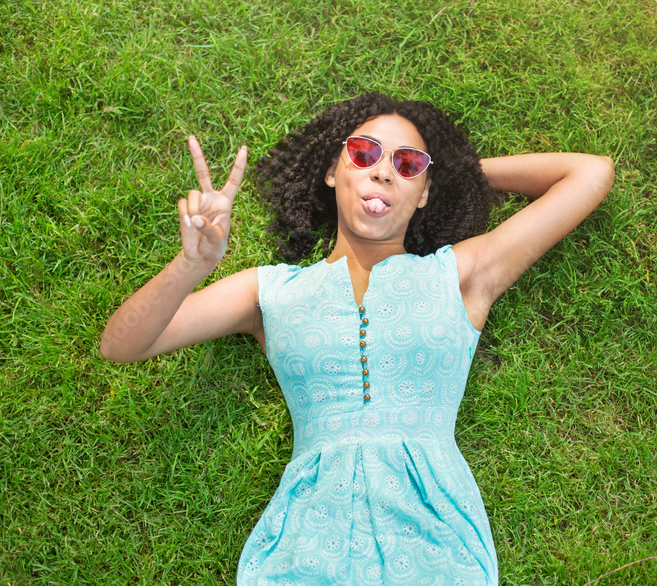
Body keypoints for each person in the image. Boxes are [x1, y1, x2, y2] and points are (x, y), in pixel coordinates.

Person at [100, 93, 614, 584]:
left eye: (408, 164)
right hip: (306, 547)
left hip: (436, 548)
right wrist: (192, 265)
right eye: (365, 153)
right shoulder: (269, 291)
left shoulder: (460, 275)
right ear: (332, 170)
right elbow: (122, 345)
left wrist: (455, 174)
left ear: (424, 193)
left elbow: (589, 173)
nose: (384, 171)